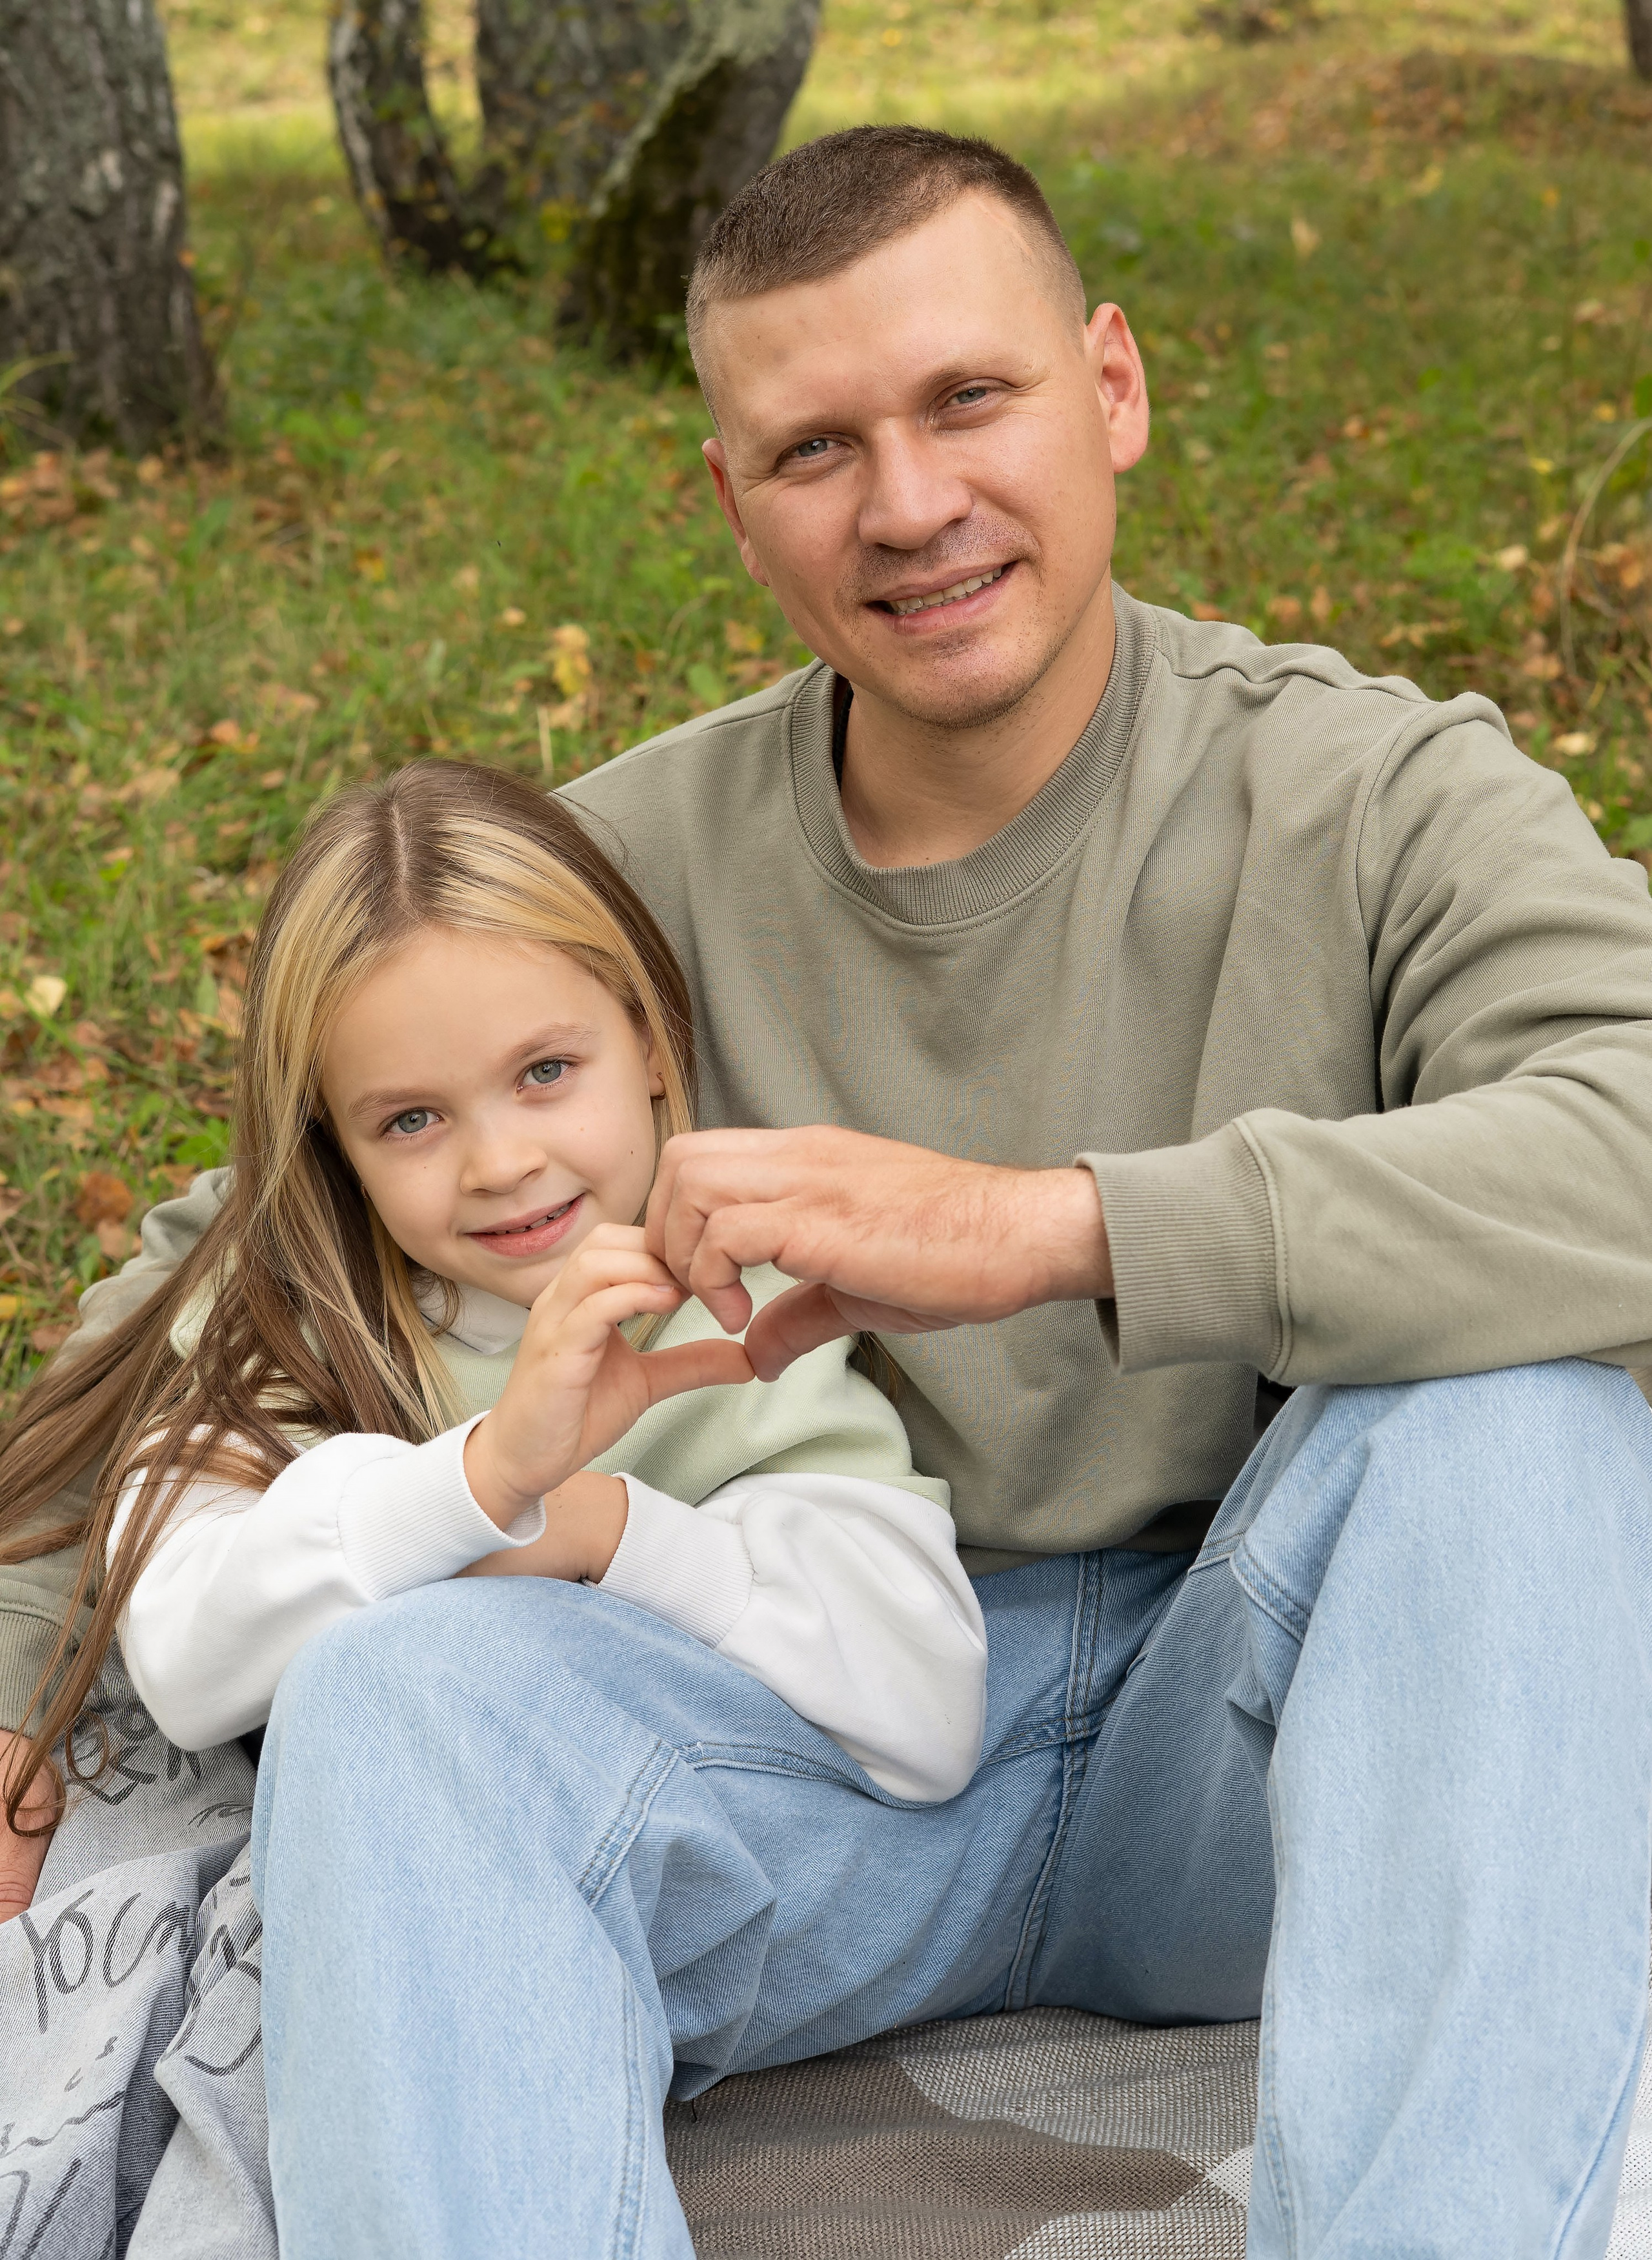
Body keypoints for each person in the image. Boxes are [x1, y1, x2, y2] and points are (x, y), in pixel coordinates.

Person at [7, 121, 1652, 2255]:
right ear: (729, 500)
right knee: (397, 1687)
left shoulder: (1368, 791)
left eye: (971, 398)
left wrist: (1051, 1225)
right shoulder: (625, 876)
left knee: (1518, 1417)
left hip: (1264, 1739)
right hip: (809, 1759)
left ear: (1114, 389)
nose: (911, 503)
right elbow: (208, 1279)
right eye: (814, 448)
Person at [0, 760, 986, 1813]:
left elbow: (928, 1717)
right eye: (411, 1119)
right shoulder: (286, 1324)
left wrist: (595, 1527)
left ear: (648, 1042)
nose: (500, 1163)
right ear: (337, 1141)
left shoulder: (747, 1317)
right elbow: (188, 1665)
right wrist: (485, 1477)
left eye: (545, 1072)